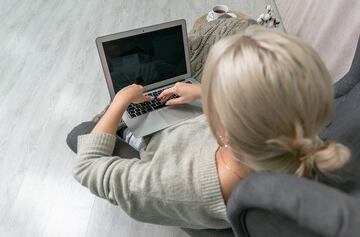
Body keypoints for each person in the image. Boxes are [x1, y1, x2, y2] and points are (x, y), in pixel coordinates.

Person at [69, 27, 350, 229]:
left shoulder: (174, 185)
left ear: (224, 130)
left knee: (95, 128)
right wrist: (204, 93)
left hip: (155, 142)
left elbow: (87, 167)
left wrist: (120, 101)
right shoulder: (301, 136)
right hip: (202, 133)